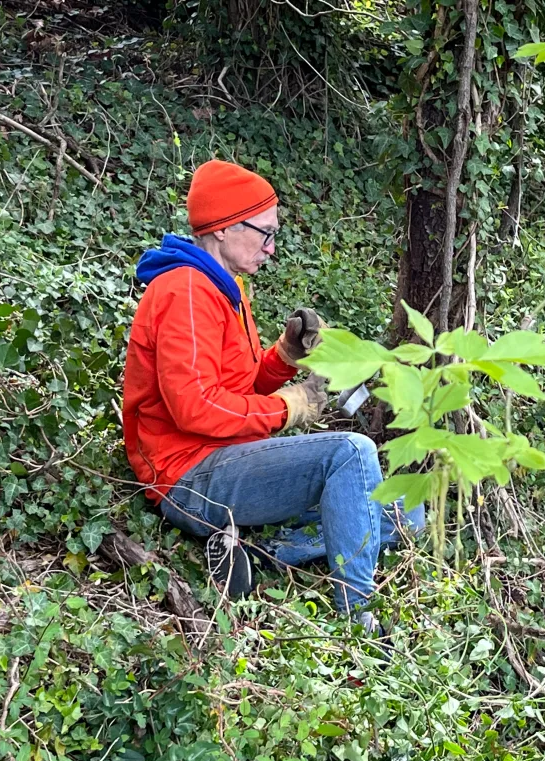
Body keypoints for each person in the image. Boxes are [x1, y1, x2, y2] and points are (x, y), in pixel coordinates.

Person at [121, 158, 422, 628]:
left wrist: (284, 355)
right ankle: (358, 618)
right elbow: (196, 408)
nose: (271, 247)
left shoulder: (226, 287)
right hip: (188, 477)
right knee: (350, 452)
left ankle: (264, 553)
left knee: (411, 509)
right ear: (223, 229)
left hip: (232, 458)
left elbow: (234, 387)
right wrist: (290, 407)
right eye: (265, 233)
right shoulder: (184, 292)